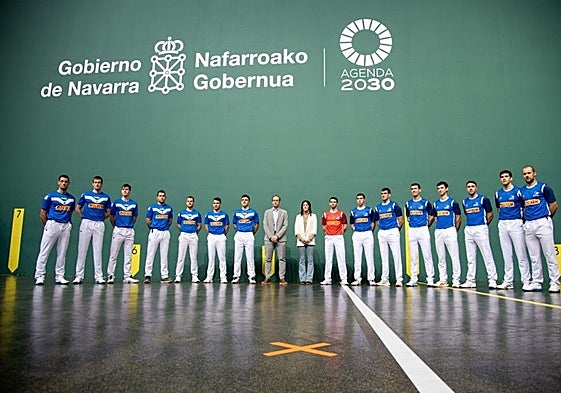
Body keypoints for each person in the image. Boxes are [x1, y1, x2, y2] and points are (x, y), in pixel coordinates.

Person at [520, 165, 560, 293]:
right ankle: (537, 281)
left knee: (549, 254)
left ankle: (555, 282)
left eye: (529, 173)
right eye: (525, 174)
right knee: (534, 256)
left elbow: (553, 205)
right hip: (529, 225)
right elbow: (523, 208)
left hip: (543, 222)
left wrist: (546, 218)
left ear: (534, 173)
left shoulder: (544, 187)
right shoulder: (521, 192)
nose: (527, 175)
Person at [34, 174, 76, 285]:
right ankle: (39, 276)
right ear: (58, 182)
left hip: (65, 226)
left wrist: (68, 224)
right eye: (62, 181)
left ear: (69, 183)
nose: (64, 183)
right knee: (44, 251)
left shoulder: (71, 199)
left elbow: (70, 212)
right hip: (52, 224)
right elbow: (42, 213)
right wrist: (47, 226)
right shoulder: (50, 196)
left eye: (66, 181)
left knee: (62, 253)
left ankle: (59, 276)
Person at [494, 170, 531, 290]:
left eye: (506, 176)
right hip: (503, 223)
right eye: (502, 177)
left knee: (521, 253)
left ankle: (526, 281)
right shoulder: (498, 193)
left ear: (511, 178)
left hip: (516, 222)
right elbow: (499, 208)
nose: (504, 178)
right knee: (506, 254)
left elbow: (524, 207)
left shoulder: (518, 192)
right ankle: (508, 281)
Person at [73, 176, 111, 284]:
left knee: (97, 250)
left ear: (102, 184)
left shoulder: (106, 197)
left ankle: (98, 276)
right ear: (92, 184)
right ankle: (79, 276)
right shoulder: (86, 195)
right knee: (82, 250)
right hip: (86, 223)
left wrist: (100, 218)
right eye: (95, 182)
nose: (97, 184)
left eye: (99, 182)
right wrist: (84, 218)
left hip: (99, 224)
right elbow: (77, 208)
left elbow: (108, 212)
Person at [460, 180, 498, 289]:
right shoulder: (465, 202)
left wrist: (484, 225)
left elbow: (490, 214)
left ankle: (492, 280)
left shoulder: (483, 199)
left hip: (480, 228)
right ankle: (471, 280)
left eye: (472, 186)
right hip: (469, 229)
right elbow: (466, 214)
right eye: (468, 187)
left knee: (487, 254)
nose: (470, 188)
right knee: (470, 257)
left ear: (476, 188)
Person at [107, 183, 139, 284]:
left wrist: (128, 225)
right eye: (123, 189)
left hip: (129, 231)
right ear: (121, 191)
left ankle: (127, 276)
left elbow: (134, 217)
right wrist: (116, 226)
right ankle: (110, 275)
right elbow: (111, 216)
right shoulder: (116, 203)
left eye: (127, 189)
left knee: (128, 255)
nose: (125, 191)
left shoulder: (134, 204)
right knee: (113, 254)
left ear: (130, 191)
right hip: (118, 230)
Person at [405, 183, 436, 287]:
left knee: (427, 255)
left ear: (420, 190)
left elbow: (431, 216)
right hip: (412, 230)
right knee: (413, 256)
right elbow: (408, 216)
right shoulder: (408, 204)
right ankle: (413, 278)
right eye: (412, 189)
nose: (413, 190)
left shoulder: (426, 203)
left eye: (415, 189)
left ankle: (430, 278)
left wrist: (426, 225)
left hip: (423, 229)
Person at [433, 181, 462, 288]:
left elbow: (458, 217)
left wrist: (454, 230)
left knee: (454, 256)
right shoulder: (435, 204)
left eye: (442, 188)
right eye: (438, 188)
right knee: (441, 257)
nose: (440, 190)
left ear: (447, 189)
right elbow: (435, 217)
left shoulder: (453, 202)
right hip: (439, 231)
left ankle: (456, 280)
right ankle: (443, 279)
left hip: (450, 230)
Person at [374, 188, 403, 287]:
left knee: (396, 256)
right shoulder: (377, 208)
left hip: (393, 232)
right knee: (384, 257)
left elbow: (400, 219)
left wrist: (396, 229)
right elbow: (377, 221)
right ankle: (385, 279)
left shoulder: (394, 205)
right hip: (382, 233)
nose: (383, 195)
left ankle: (399, 279)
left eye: (385, 193)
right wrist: (383, 228)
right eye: (382, 193)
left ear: (389, 195)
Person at [143, 190, 173, 283]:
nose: (162, 197)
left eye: (163, 196)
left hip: (165, 233)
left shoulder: (169, 208)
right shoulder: (152, 208)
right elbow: (148, 220)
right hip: (154, 232)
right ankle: (148, 275)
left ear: (165, 197)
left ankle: (164, 276)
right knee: (150, 254)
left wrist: (165, 227)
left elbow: (170, 220)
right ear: (157, 197)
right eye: (160, 196)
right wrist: (153, 228)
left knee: (164, 255)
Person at [320, 196, 348, 285]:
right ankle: (327, 278)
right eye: (331, 202)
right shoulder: (325, 214)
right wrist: (329, 233)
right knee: (328, 259)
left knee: (341, 258)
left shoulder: (341, 214)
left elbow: (345, 225)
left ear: (337, 203)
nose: (333, 203)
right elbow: (323, 226)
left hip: (338, 237)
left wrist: (340, 232)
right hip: (329, 237)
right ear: (329, 203)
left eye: (334, 202)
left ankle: (344, 279)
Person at [232, 194, 259, 284]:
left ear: (249, 201)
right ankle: (236, 276)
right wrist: (240, 230)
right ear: (241, 201)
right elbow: (234, 224)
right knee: (237, 257)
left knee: (250, 257)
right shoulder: (236, 212)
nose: (244, 201)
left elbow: (256, 225)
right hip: (239, 234)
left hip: (249, 235)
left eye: (246, 200)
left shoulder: (253, 212)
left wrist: (251, 232)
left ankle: (251, 276)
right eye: (242, 200)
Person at [174, 195, 202, 283]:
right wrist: (183, 230)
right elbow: (178, 224)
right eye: (188, 201)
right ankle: (178, 276)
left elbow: (199, 225)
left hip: (193, 235)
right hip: (183, 235)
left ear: (193, 203)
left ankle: (194, 276)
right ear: (186, 203)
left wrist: (194, 231)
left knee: (193, 257)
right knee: (181, 256)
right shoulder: (181, 213)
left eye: (191, 201)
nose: (189, 202)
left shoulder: (197, 213)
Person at [349, 193, 375, 286]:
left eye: (361, 198)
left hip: (367, 234)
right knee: (357, 257)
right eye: (358, 198)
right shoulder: (353, 211)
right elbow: (351, 223)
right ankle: (357, 279)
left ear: (364, 200)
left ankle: (371, 279)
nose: (359, 200)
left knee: (369, 257)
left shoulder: (369, 210)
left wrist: (369, 230)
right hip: (357, 235)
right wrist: (355, 229)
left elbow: (373, 222)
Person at [263, 195, 289, 285]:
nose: (275, 202)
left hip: (281, 239)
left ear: (279, 202)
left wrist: (277, 236)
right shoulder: (267, 212)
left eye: (277, 200)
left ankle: (282, 278)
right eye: (274, 200)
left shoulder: (284, 212)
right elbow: (265, 225)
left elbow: (285, 225)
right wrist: (271, 236)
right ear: (272, 202)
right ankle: (267, 277)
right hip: (269, 239)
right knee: (268, 259)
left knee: (282, 259)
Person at [204, 197, 229, 284]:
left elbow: (226, 226)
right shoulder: (208, 214)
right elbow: (206, 226)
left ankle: (223, 277)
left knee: (222, 258)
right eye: (214, 203)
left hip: (221, 236)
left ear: (220, 204)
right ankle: (209, 277)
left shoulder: (224, 215)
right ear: (212, 204)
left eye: (217, 203)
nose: (216, 204)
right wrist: (211, 233)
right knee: (211, 258)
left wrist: (222, 234)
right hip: (211, 236)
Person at [294, 200, 317, 284]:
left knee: (310, 260)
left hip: (310, 241)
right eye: (304, 205)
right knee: (302, 260)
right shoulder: (298, 217)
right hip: (301, 241)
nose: (305, 206)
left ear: (309, 206)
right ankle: (302, 279)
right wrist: (301, 239)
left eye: (307, 205)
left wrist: (309, 238)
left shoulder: (313, 216)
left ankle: (309, 279)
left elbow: (314, 228)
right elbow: (296, 229)